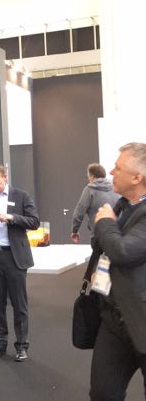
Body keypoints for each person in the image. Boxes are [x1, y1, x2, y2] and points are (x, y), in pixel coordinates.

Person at [89, 143, 146, 400]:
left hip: (142, 319)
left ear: (137, 177)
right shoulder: (123, 205)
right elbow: (107, 248)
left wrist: (105, 223)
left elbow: (123, 251)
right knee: (103, 393)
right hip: (115, 319)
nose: (111, 172)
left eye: (118, 167)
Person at [0, 161, 39, 362]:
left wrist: (12, 217)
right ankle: (0, 344)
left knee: (19, 304)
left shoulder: (21, 196)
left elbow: (34, 222)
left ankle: (22, 346)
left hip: (14, 256)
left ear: (5, 177)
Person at [70, 163, 120, 244]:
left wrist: (75, 231)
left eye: (88, 176)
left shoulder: (89, 189)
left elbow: (79, 212)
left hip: (98, 235)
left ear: (92, 176)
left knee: (98, 252)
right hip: (117, 234)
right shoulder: (115, 186)